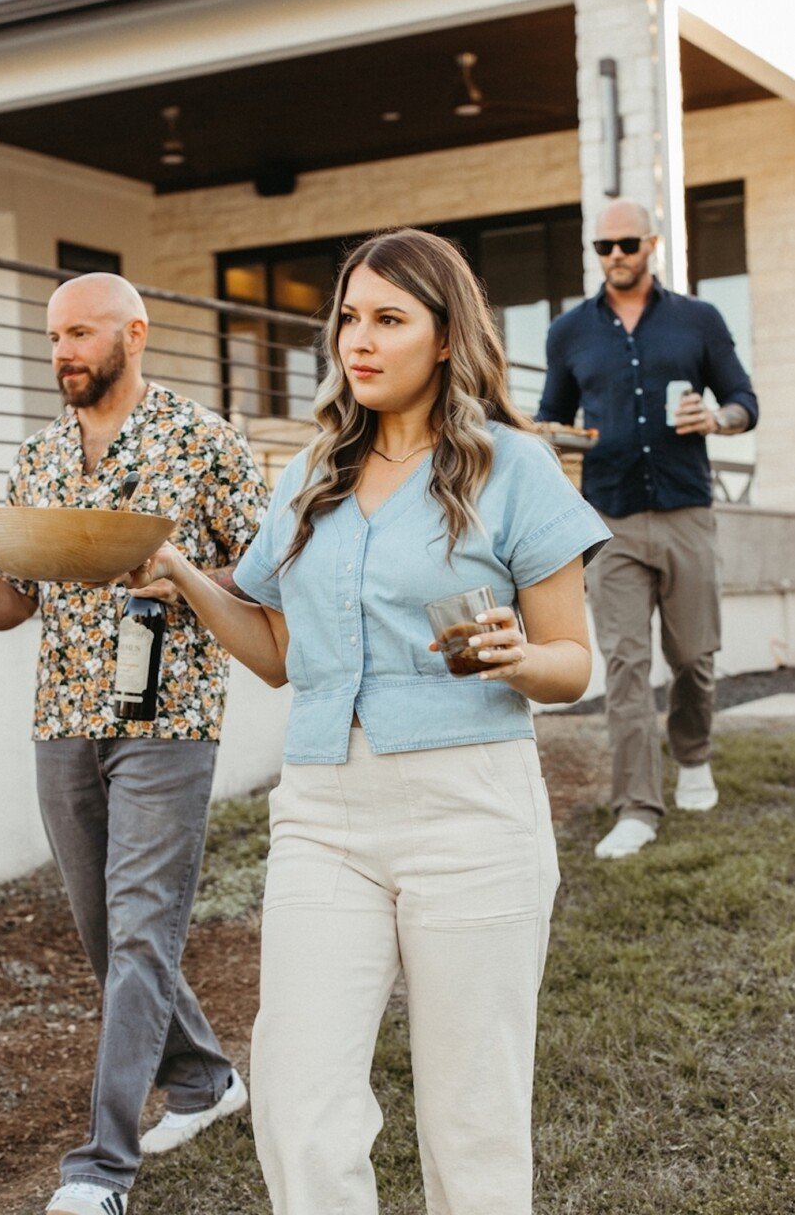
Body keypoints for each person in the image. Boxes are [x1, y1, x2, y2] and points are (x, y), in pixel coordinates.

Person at [122, 228, 610, 1215]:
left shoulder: (512, 469)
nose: (359, 338)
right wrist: (181, 576)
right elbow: (275, 652)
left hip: (471, 812)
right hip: (322, 815)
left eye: (389, 318)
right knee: (300, 1100)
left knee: (470, 1118)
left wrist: (521, 656)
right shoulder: (309, 476)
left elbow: (574, 662)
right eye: (349, 316)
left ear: (444, 339)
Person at [0, 273, 268, 1215]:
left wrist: (187, 579)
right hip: (64, 716)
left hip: (168, 716)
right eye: (52, 339)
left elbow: (273, 566)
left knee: (141, 933)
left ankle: (99, 1169)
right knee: (106, 933)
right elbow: (16, 600)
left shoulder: (205, 442)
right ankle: (205, 1079)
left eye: (78, 334)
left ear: (135, 333)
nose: (61, 353)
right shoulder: (36, 460)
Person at [537, 198, 758, 860]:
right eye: (602, 247)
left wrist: (714, 421)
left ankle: (692, 757)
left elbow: (745, 401)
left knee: (693, 656)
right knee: (626, 665)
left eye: (625, 244)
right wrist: (565, 435)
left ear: (651, 244)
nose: (614, 257)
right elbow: (551, 416)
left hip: (686, 508)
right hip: (608, 517)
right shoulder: (568, 331)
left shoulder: (698, 320)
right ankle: (635, 806)